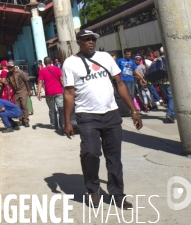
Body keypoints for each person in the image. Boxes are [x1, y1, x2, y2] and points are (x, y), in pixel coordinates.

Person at [62, 29, 142, 210]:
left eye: (93, 39)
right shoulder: (70, 63)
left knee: (114, 157)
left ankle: (117, 195)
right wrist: (67, 122)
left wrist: (134, 110)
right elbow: (68, 93)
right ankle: (92, 190)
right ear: (78, 42)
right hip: (87, 115)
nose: (91, 42)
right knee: (90, 153)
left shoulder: (105, 57)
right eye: (86, 39)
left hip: (111, 114)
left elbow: (120, 83)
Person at [37, 57, 64, 131]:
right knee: (61, 108)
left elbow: (40, 82)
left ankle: (54, 125)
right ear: (51, 61)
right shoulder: (57, 69)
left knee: (52, 109)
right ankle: (63, 124)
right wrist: (64, 88)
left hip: (49, 92)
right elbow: (61, 79)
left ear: (44, 63)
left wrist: (38, 92)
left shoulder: (42, 71)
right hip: (59, 91)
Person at [5, 60, 31, 127]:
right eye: (9, 67)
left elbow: (26, 81)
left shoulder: (19, 72)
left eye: (11, 67)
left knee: (24, 105)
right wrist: (9, 95)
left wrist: (28, 91)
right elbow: (8, 85)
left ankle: (25, 120)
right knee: (17, 106)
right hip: (15, 91)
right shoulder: (8, 75)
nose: (10, 68)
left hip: (23, 90)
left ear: (14, 66)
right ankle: (20, 120)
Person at [157, 47, 175, 123]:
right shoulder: (169, 58)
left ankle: (170, 110)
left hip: (160, 82)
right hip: (168, 81)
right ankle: (170, 114)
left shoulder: (157, 59)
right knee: (171, 98)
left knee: (168, 98)